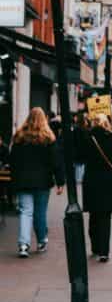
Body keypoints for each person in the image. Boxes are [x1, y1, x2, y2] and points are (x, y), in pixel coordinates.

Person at [10, 108, 65, 258]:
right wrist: (60, 182)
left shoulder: (19, 137)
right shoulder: (48, 138)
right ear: (44, 119)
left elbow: (13, 160)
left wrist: (15, 178)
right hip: (42, 181)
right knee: (40, 212)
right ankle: (41, 241)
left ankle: (23, 244)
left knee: (25, 211)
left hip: (23, 181)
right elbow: (56, 163)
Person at [81, 114, 112, 262]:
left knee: (93, 214)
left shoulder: (87, 139)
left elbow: (80, 157)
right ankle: (104, 252)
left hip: (91, 181)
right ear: (107, 123)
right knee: (105, 217)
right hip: (108, 181)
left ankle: (95, 247)